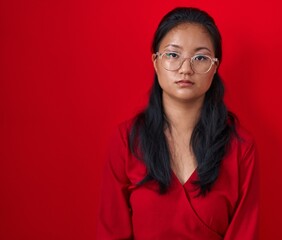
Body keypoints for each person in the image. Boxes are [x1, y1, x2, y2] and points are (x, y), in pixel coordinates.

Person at [97, 7, 259, 240]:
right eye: (173, 55)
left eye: (200, 58)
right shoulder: (127, 140)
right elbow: (111, 232)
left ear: (215, 67)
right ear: (155, 61)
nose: (186, 69)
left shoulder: (241, 148)